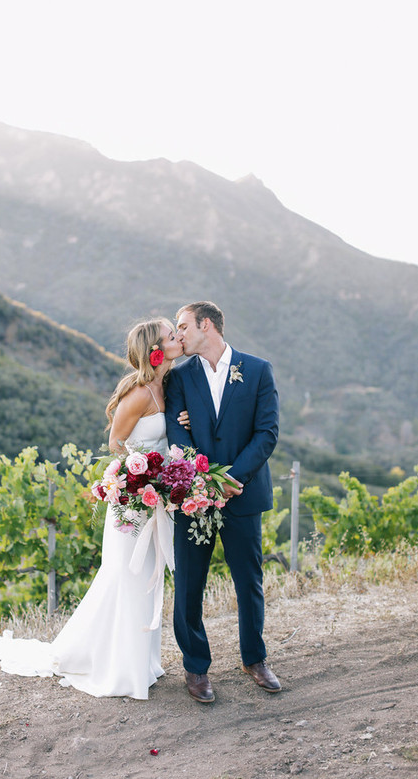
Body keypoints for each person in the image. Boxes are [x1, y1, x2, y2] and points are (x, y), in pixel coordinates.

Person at [0, 318, 183, 700]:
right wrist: (144, 471)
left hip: (154, 498)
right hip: (132, 499)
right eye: (171, 336)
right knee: (126, 578)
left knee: (146, 579)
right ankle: (120, 667)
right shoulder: (138, 394)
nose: (177, 339)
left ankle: (142, 662)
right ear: (156, 350)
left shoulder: (165, 386)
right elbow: (117, 442)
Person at [165, 301, 280, 704]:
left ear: (206, 325)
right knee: (189, 584)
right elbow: (175, 436)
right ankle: (196, 667)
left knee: (249, 581)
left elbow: (267, 433)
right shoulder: (178, 378)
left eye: (183, 326)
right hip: (195, 497)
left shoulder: (257, 370)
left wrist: (232, 478)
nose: (178, 334)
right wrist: (200, 481)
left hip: (242, 494)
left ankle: (255, 658)